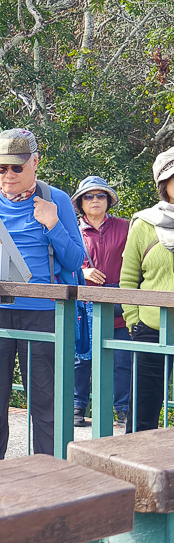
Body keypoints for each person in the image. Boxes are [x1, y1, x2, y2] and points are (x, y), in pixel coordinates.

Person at [0, 129, 85, 464]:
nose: (7, 175)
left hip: (42, 313)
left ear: (35, 162)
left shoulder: (57, 200)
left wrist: (52, 224)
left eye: (16, 168)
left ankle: (50, 480)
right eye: (0, 169)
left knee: (46, 403)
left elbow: (76, 261)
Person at [118, 145, 174, 433]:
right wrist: (133, 320)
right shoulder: (144, 224)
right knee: (144, 411)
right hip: (152, 328)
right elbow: (128, 278)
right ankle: (135, 474)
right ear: (164, 184)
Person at [70, 176, 131, 429]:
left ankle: (124, 411)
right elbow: (59, 262)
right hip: (84, 306)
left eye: (100, 195)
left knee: (123, 359)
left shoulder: (126, 227)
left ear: (108, 200)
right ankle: (77, 407)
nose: (95, 200)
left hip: (119, 304)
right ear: (80, 202)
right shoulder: (71, 230)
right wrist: (82, 271)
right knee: (80, 358)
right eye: (88, 196)